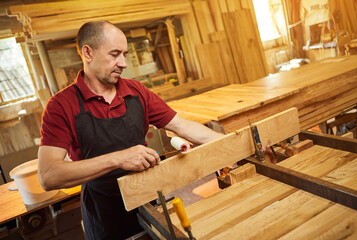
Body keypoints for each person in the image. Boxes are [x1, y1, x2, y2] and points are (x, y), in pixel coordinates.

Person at [38, 20, 223, 240]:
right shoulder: (60, 105)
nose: (123, 63)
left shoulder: (136, 91)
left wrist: (233, 142)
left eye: (124, 54)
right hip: (104, 215)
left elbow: (183, 126)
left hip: (147, 200)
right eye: (115, 54)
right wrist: (118, 159)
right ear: (88, 53)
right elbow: (49, 175)